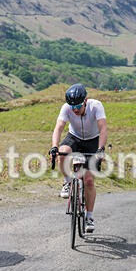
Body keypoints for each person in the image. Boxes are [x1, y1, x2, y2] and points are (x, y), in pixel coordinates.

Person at [50, 83, 108, 233]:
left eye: (78, 106)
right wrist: (54, 147)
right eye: (72, 106)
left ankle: (89, 216)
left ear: (85, 101)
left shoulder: (96, 106)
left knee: (88, 181)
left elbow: (103, 128)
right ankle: (68, 183)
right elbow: (59, 128)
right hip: (74, 137)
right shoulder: (66, 108)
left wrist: (100, 149)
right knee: (62, 153)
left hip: (92, 141)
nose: (75, 109)